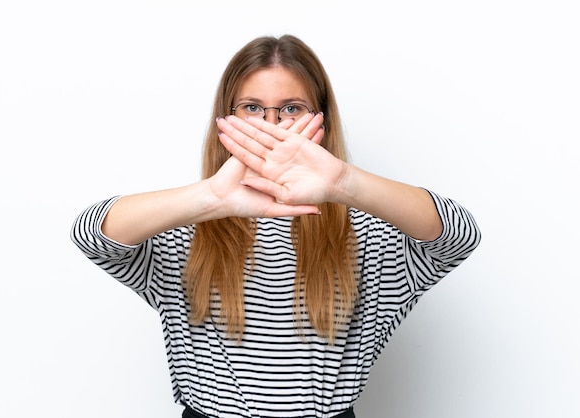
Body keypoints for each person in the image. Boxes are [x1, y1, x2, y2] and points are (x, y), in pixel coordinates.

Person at [71, 34, 481, 418]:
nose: (271, 125)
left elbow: (459, 236)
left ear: (321, 120)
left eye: (291, 109)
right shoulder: (185, 227)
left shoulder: (367, 235)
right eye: (251, 108)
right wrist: (211, 198)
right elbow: (91, 234)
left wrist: (343, 183)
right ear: (226, 120)